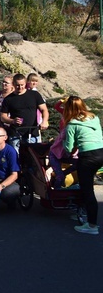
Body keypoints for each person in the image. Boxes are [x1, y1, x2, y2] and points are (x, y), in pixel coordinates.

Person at [61, 96, 103, 234]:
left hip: (88, 157)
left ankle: (91, 226)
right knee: (87, 185)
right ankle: (81, 212)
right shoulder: (94, 118)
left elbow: (68, 148)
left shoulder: (71, 124)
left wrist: (63, 143)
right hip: (101, 153)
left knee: (88, 190)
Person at [0, 73, 49, 150]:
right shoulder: (8, 99)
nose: (20, 87)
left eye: (22, 85)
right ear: (13, 84)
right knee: (16, 159)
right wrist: (12, 121)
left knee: (34, 158)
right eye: (17, 85)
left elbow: (44, 109)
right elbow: (3, 117)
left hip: (32, 133)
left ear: (26, 83)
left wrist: (44, 121)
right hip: (16, 134)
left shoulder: (34, 95)